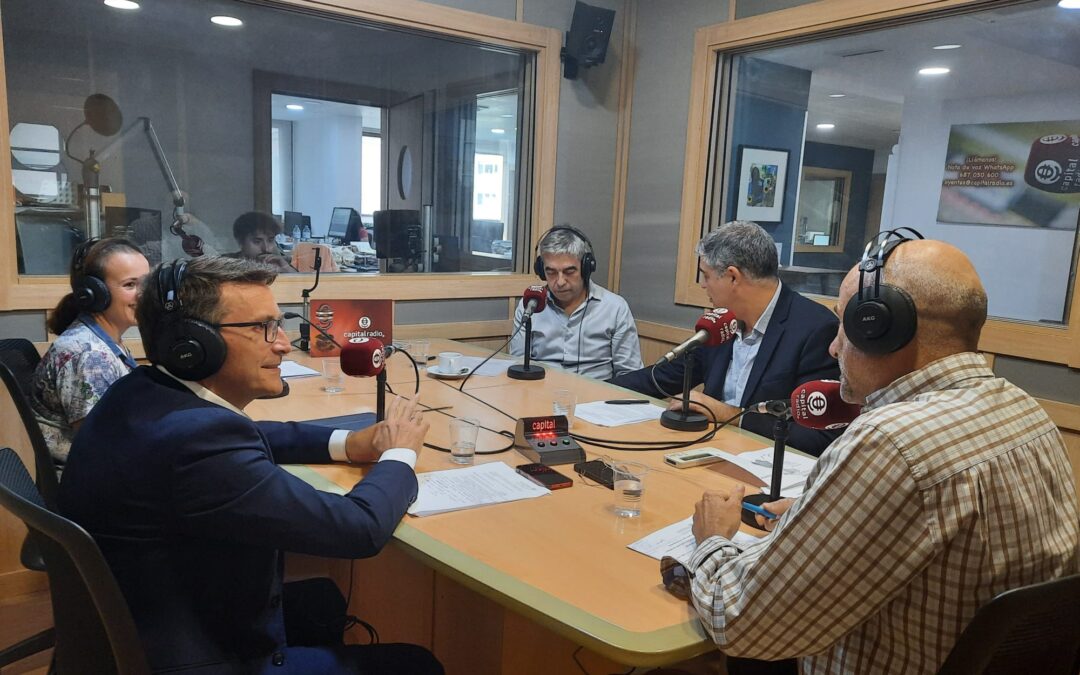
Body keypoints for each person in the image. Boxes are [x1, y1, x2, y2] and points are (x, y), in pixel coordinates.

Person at [671, 235, 1079, 674]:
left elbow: (739, 623)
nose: (833, 347)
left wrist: (712, 539)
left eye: (844, 325)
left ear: (881, 329)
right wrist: (813, 515)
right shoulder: (1023, 408)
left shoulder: (892, 441)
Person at [58, 256, 442, 674]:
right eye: (263, 328)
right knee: (416, 664)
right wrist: (399, 454)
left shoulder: (142, 391)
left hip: (149, 618)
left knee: (324, 601)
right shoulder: (197, 442)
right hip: (196, 655)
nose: (282, 343)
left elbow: (254, 435)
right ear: (194, 345)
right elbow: (358, 529)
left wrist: (348, 443)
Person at [612, 221, 840, 457]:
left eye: (706, 275)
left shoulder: (816, 329)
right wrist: (597, 388)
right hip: (705, 451)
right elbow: (661, 378)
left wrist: (728, 414)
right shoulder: (720, 324)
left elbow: (817, 437)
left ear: (732, 277)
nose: (702, 285)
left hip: (764, 468)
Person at [29, 237, 149, 475]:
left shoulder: (104, 341)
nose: (142, 294)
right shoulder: (88, 355)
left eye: (145, 283)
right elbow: (102, 447)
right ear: (95, 293)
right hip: (89, 489)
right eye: (130, 285)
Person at [509, 225, 643, 379]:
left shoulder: (615, 308)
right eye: (551, 272)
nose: (559, 282)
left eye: (569, 271)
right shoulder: (530, 306)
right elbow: (517, 363)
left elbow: (630, 374)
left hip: (597, 397)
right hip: (541, 393)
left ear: (586, 267)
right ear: (541, 271)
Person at [227, 211, 293, 271]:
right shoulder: (227, 264)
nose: (266, 249)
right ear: (241, 242)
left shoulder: (279, 262)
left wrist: (286, 269)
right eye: (257, 242)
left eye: (270, 240)